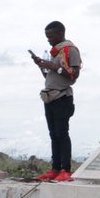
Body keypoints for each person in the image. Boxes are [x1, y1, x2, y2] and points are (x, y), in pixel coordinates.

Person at [30, 21, 81, 182]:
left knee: (62, 134)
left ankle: (66, 170)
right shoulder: (54, 52)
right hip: (49, 97)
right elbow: (51, 77)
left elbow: (73, 75)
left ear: (60, 33)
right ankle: (55, 169)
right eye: (47, 37)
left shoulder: (70, 50)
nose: (48, 40)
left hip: (62, 98)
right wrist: (42, 66)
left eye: (50, 36)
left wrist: (52, 66)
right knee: (53, 135)